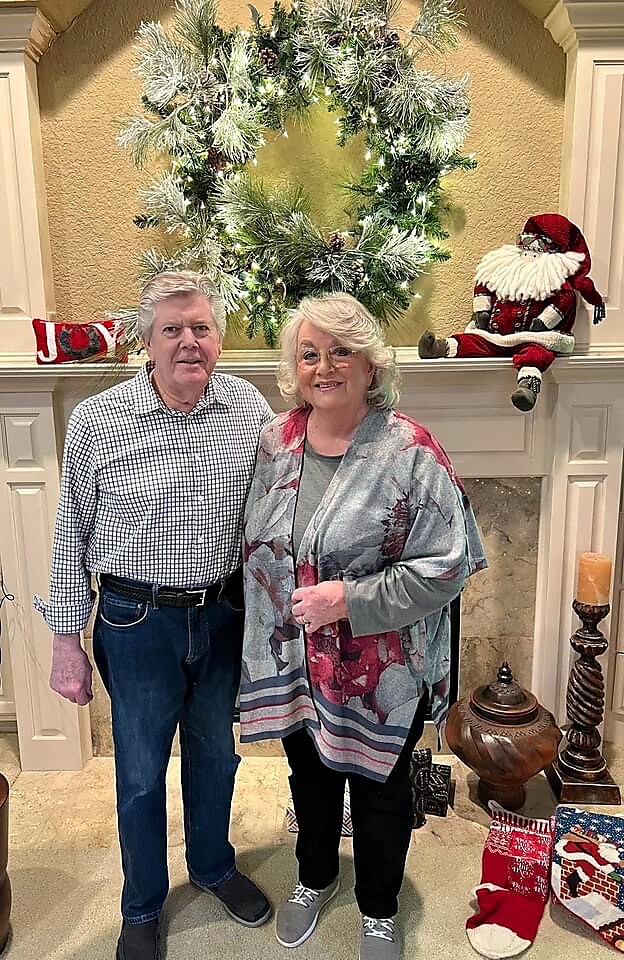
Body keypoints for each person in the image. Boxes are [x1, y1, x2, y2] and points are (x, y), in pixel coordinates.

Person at [34, 271, 273, 960]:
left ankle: (213, 866)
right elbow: (70, 534)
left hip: (222, 614)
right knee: (140, 774)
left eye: (201, 328)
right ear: (147, 342)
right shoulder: (97, 420)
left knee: (216, 757)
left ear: (218, 339)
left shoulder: (249, 408)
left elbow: (273, 514)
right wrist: (66, 642)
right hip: (135, 623)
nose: (188, 342)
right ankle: (141, 904)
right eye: (172, 330)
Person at [239, 294, 486, 960]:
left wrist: (347, 599)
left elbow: (446, 567)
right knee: (310, 780)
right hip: (296, 665)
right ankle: (315, 876)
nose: (324, 367)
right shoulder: (275, 443)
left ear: (371, 366)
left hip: (384, 674)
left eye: (341, 351)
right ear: (295, 368)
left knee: (380, 792)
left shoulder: (411, 451)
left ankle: (379, 907)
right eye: (310, 354)